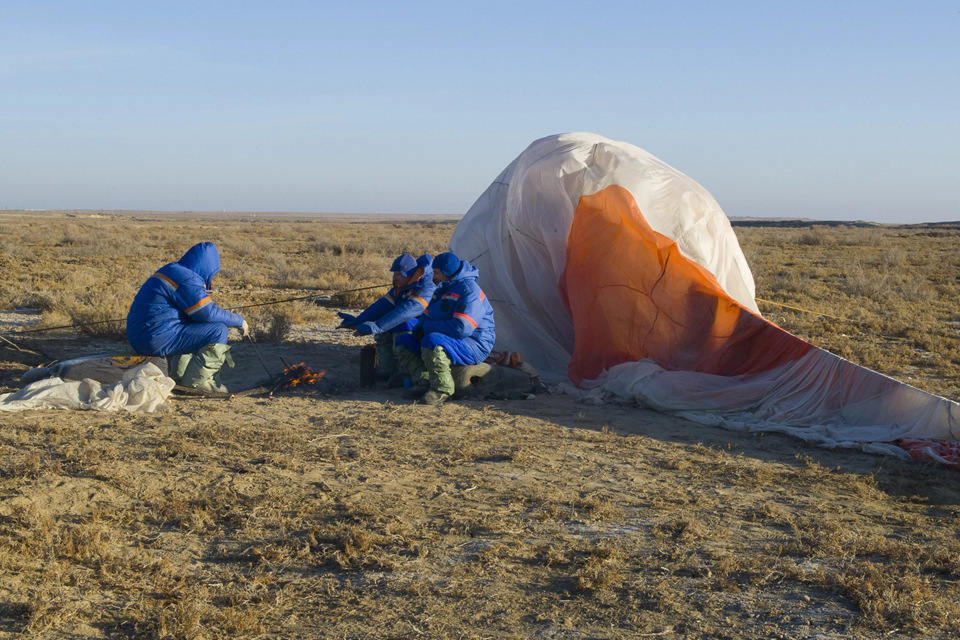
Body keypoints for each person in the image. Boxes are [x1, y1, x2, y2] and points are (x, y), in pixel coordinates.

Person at [127, 242, 248, 392]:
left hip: (142, 335)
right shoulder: (186, 278)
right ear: (207, 266)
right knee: (218, 330)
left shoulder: (171, 270)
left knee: (193, 324)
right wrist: (239, 320)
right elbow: (207, 313)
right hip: (155, 337)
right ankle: (198, 381)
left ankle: (179, 376)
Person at [396, 251, 495, 405]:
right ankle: (424, 383)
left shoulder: (470, 291)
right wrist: (418, 330)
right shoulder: (443, 288)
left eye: (436, 272)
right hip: (449, 339)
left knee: (432, 340)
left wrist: (428, 328)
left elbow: (462, 328)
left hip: (474, 343)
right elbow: (427, 315)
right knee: (404, 341)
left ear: (447, 273)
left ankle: (442, 390)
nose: (433, 276)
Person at [337, 254, 436, 384]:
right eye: (394, 274)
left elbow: (409, 309)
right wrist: (359, 320)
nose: (395, 277)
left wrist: (378, 326)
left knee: (401, 325)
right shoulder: (403, 285)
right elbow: (384, 304)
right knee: (385, 322)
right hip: (412, 321)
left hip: (426, 325)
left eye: (399, 274)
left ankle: (405, 372)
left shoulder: (426, 285)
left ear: (410, 274)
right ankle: (388, 369)